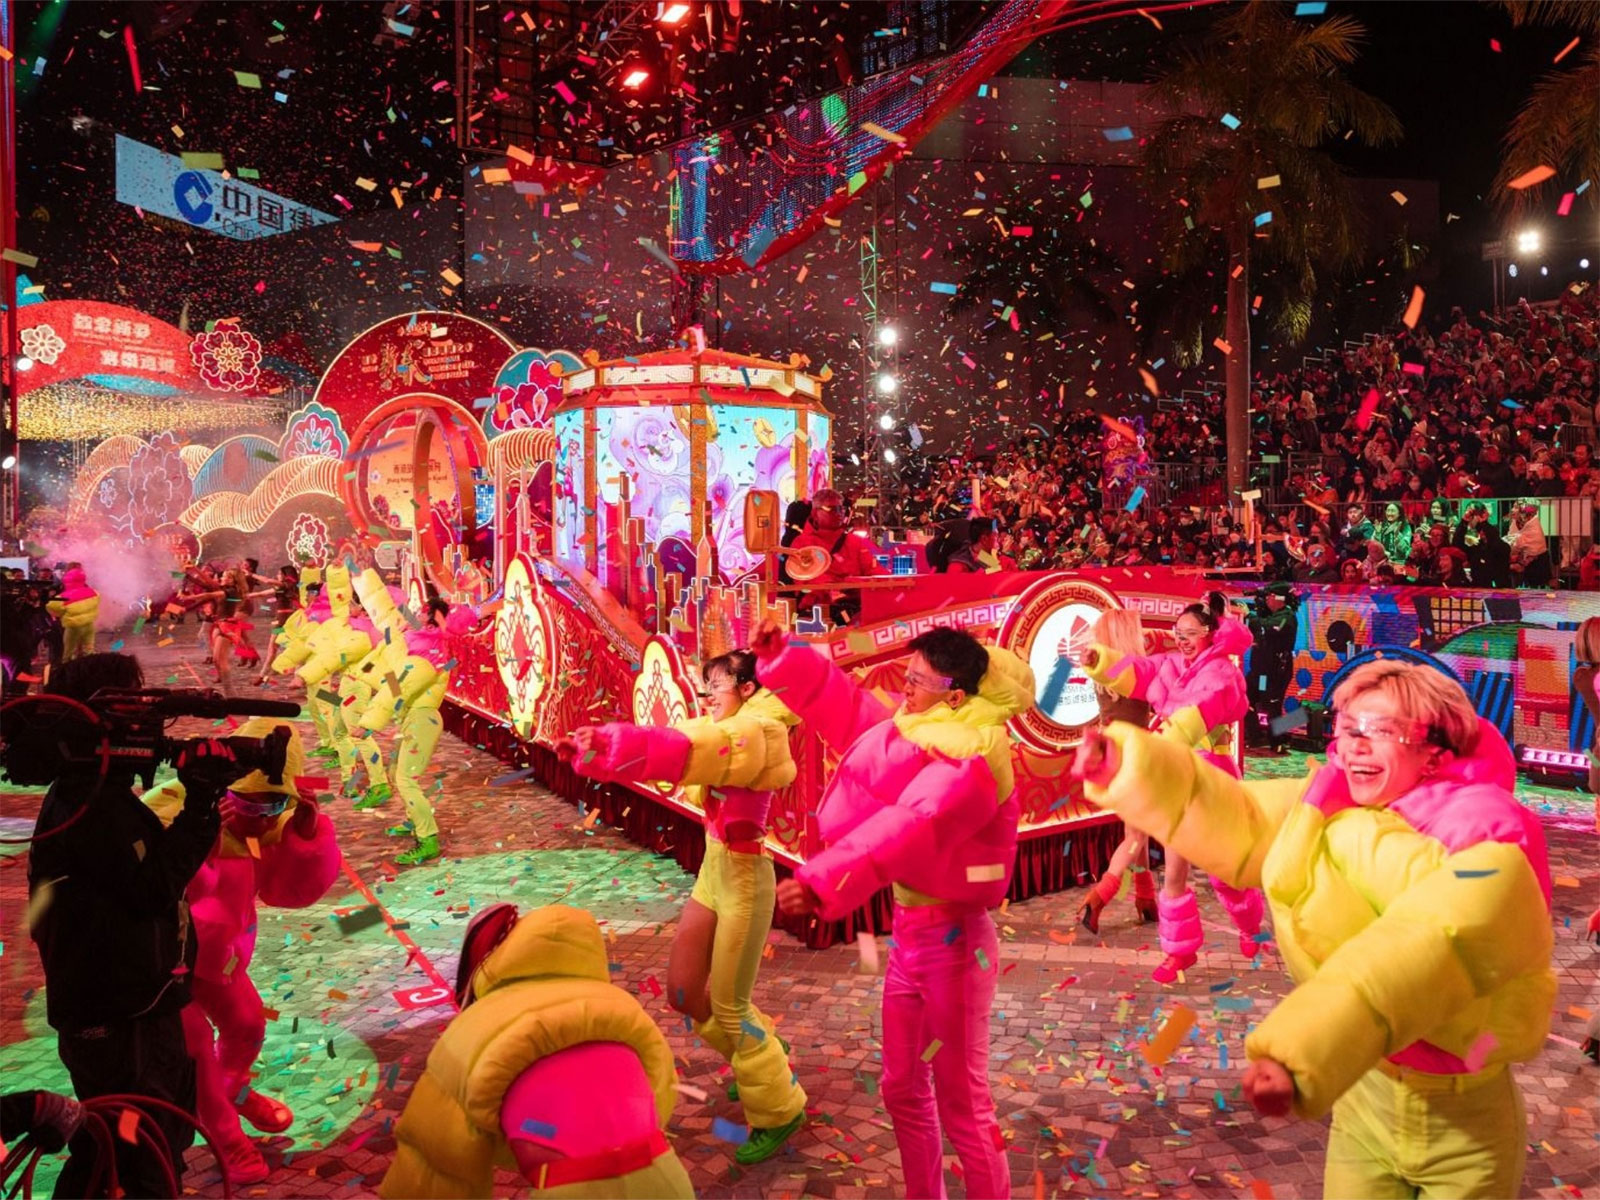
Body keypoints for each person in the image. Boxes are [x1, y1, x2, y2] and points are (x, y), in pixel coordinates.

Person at [1070, 660, 1555, 1198]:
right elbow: (1240, 816)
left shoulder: (1492, 834)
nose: (1356, 746)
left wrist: (1304, 1049)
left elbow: (1428, 945)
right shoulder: (1332, 801)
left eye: (1380, 730)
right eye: (1348, 728)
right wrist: (1128, 766)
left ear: (1434, 749)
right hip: (1364, 1102)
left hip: (1464, 1129)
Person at [764, 621, 1034, 1200]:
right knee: (902, 1088)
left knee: (962, 1103)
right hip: (910, 937)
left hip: (955, 947)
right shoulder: (922, 728)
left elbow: (914, 823)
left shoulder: (973, 756)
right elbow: (849, 709)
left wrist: (823, 880)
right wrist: (785, 657)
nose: (903, 688)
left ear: (954, 695)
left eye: (916, 681)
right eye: (907, 677)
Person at [557, 650, 807, 1163]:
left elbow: (692, 748)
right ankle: (763, 1056)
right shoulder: (727, 727)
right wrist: (597, 755)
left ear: (748, 688)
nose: (709, 695)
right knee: (683, 993)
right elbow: (681, 748)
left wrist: (611, 744)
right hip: (714, 873)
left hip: (745, 880)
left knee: (731, 1008)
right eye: (706, 686)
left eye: (719, 685)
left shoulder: (759, 731)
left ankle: (780, 1109)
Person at [22, 653, 234, 1197]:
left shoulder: (93, 794)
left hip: (131, 1009)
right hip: (120, 1022)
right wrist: (200, 804)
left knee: (124, 1150)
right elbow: (152, 887)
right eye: (134, 705)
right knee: (138, 1157)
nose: (147, 719)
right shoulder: (90, 806)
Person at [142, 720, 341, 1184]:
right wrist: (201, 843)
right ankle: (227, 1135)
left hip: (219, 959)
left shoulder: (265, 829)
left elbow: (286, 892)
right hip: (161, 963)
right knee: (195, 1048)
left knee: (248, 1023)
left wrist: (305, 838)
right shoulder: (168, 812)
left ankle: (234, 1089)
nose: (263, 818)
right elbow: (157, 893)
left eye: (274, 805)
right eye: (250, 803)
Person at [380, 904, 693, 1199]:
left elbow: (433, 1164)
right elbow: (659, 1093)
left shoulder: (473, 1027)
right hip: (666, 1175)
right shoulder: (619, 1004)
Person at [1078, 593, 1265, 981]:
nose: (1182, 640)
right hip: (1177, 777)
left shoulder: (1223, 674)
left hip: (1211, 778)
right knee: (1175, 872)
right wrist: (1102, 661)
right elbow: (1139, 670)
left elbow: (1204, 709)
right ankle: (1178, 952)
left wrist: (1168, 740)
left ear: (1210, 633)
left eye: (1190, 633)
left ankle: (1251, 927)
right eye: (1178, 633)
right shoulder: (1170, 665)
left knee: (1225, 871)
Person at [353, 572, 470, 865]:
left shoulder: (425, 657)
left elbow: (396, 687)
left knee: (405, 779)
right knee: (398, 772)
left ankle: (427, 838)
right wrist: (361, 576)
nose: (411, 615)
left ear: (429, 622)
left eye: (419, 613)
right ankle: (414, 821)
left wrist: (368, 724)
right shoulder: (416, 645)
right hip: (413, 719)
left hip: (422, 722)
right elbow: (386, 614)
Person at [1076, 609, 1158, 933]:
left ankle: (1146, 898)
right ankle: (1098, 897)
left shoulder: (1104, 669)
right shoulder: (1136, 670)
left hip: (1110, 753)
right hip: (1135, 755)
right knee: (1135, 837)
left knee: (1137, 830)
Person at [785, 487, 885, 624]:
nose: (839, 513)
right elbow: (806, 582)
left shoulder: (855, 542)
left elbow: (875, 572)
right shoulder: (802, 544)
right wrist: (843, 586)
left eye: (841, 509)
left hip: (856, 609)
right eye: (832, 509)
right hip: (817, 614)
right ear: (815, 513)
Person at [1245, 582, 1300, 755]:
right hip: (1260, 671)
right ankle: (1255, 736)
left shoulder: (1287, 617)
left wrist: (1249, 615)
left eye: (1270, 596)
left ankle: (1278, 741)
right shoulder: (1267, 614)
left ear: (1280, 598)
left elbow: (1268, 628)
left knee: (1273, 705)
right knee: (1244, 698)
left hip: (1276, 671)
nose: (1267, 599)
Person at [46, 567, 99, 663]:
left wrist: (61, 614)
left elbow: (51, 608)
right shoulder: (94, 592)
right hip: (89, 625)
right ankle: (90, 667)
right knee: (89, 649)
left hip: (73, 628)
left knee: (69, 652)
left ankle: (68, 669)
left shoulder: (62, 597)